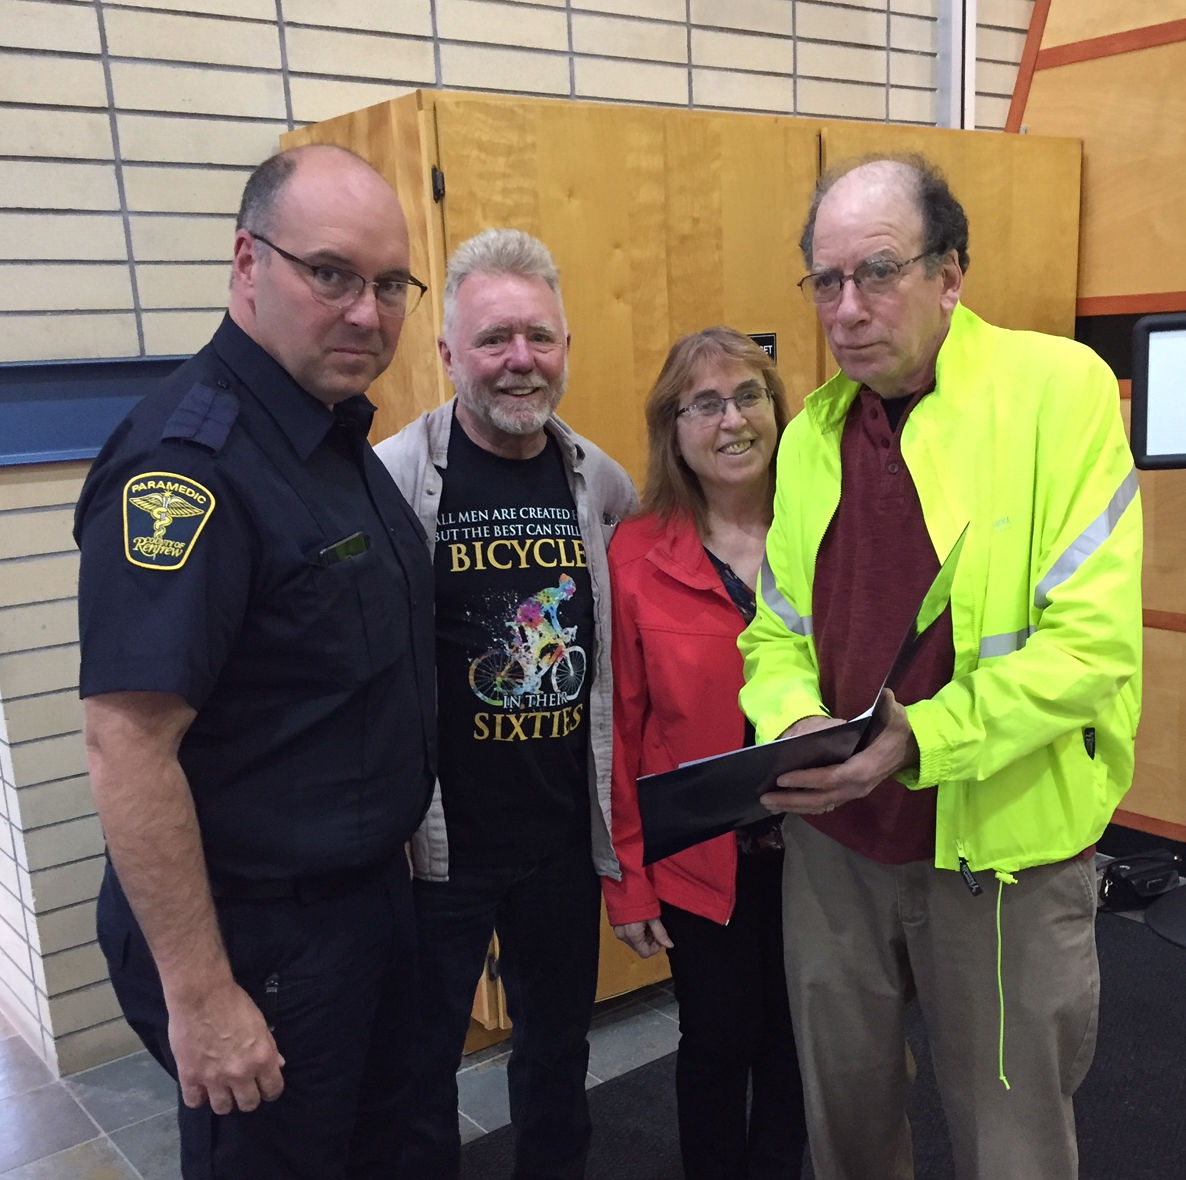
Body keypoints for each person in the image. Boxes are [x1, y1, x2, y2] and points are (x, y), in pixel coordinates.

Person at [737, 153, 1143, 1179]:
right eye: (824, 282)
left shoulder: (1058, 393)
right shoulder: (812, 437)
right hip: (833, 850)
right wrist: (787, 721)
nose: (846, 308)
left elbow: (1088, 649)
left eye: (876, 271)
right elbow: (774, 631)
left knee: (1013, 1149)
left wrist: (920, 737)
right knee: (848, 1132)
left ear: (949, 273)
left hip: (1001, 854)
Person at [75, 144, 436, 1179]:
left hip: (359, 908)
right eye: (330, 274)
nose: (367, 313)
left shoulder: (325, 440)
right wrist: (202, 996)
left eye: (390, 285)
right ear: (247, 262)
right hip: (258, 942)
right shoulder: (188, 469)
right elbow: (127, 743)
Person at [374, 227, 637, 1179]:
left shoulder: (600, 483)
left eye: (540, 337)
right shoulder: (394, 478)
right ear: (448, 356)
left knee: (558, 1056)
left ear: (565, 347)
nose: (519, 360)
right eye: (494, 339)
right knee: (418, 1072)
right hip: (435, 853)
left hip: (560, 842)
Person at [602, 327, 808, 1178]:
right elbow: (616, 731)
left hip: (822, 856)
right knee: (719, 1041)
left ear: (777, 411)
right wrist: (628, 878)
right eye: (706, 403)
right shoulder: (637, 555)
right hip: (700, 860)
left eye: (749, 396)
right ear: (673, 427)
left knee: (802, 1045)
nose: (732, 420)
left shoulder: (824, 537)